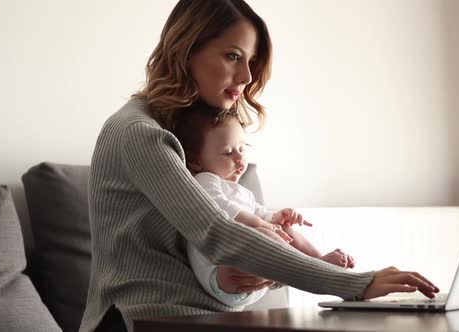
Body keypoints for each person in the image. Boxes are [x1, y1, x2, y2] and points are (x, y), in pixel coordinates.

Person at [79, 1, 439, 331]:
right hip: (142, 320)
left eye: (251, 62)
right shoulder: (139, 134)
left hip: (207, 317)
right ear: (185, 51)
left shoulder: (197, 142)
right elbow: (217, 233)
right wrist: (355, 283)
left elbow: (233, 249)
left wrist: (266, 273)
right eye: (233, 56)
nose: (247, 77)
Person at [173, 104, 355, 307]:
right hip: (221, 275)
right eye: (228, 152)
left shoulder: (242, 192)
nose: (240, 157)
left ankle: (319, 262)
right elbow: (219, 209)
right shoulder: (205, 180)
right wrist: (262, 224)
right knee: (262, 231)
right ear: (196, 161)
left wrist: (277, 218)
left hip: (255, 279)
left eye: (242, 149)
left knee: (282, 228)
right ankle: (310, 270)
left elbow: (260, 214)